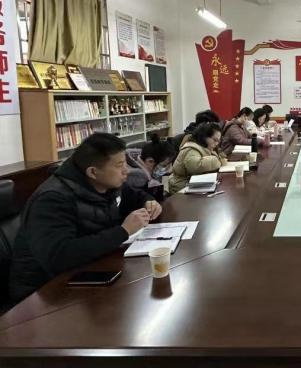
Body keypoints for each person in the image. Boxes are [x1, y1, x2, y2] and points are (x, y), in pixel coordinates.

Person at [9, 133, 161, 302]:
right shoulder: (52, 199)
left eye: (125, 162)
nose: (127, 170)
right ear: (93, 172)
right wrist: (123, 231)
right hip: (43, 293)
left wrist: (149, 201)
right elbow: (60, 256)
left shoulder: (108, 182)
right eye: (119, 165)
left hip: (89, 270)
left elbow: (135, 195)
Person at [169, 123, 227, 194]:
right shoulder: (192, 148)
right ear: (204, 137)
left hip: (193, 184)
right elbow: (195, 166)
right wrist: (217, 160)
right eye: (215, 140)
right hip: (181, 186)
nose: (216, 143)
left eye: (218, 141)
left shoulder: (206, 147)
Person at [126, 134, 175, 200]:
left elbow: (164, 182)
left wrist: (165, 188)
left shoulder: (147, 165)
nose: (165, 169)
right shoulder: (138, 176)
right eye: (163, 166)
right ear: (150, 161)